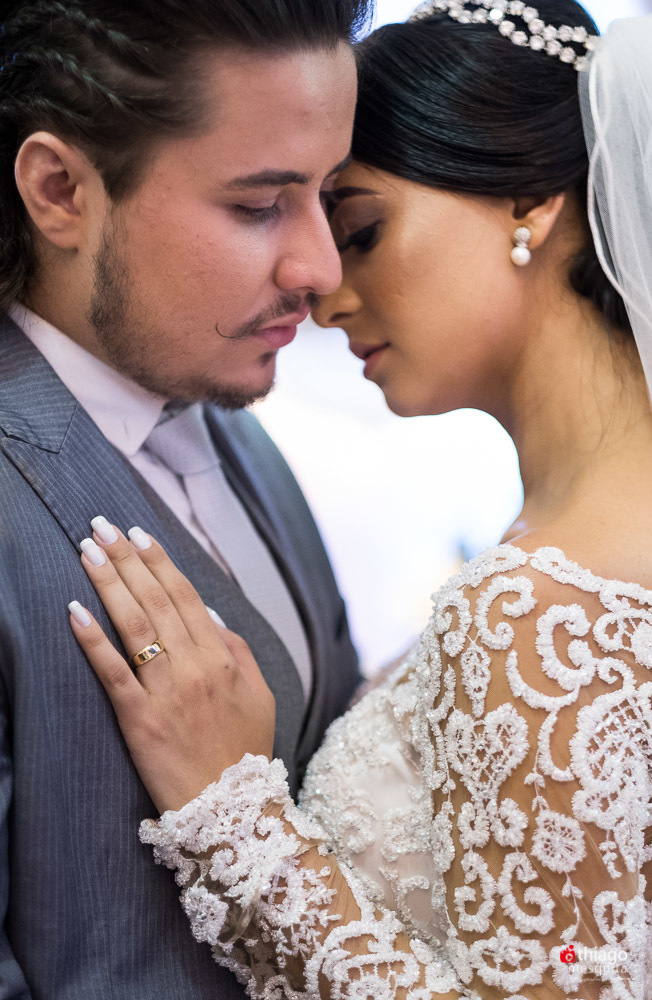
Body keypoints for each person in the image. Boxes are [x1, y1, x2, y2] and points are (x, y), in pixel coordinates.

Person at [70, 1, 652, 998]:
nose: (322, 290)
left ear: (529, 198)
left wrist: (237, 818)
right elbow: (588, 959)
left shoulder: (540, 614)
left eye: (361, 228)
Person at [0, 0, 374, 996]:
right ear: (58, 190)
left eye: (329, 194)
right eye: (259, 205)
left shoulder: (240, 433)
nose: (321, 269)